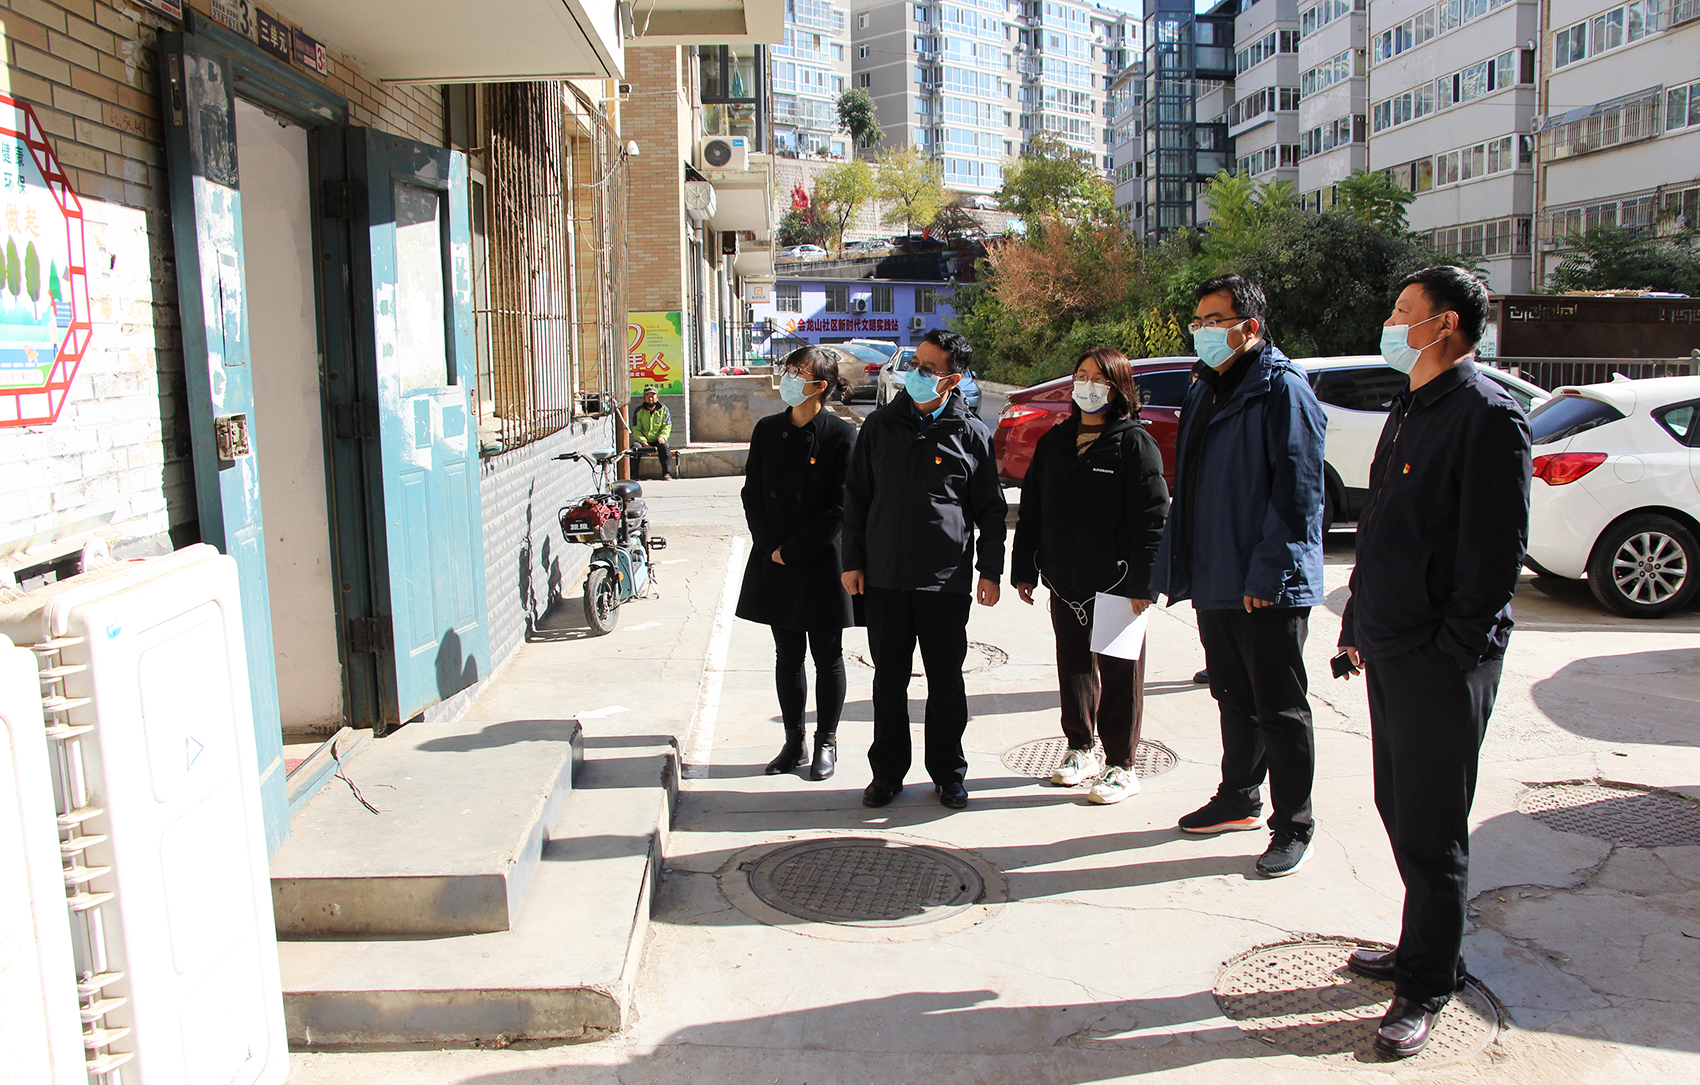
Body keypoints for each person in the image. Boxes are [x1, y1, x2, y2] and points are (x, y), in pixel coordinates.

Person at [1336, 266, 1531, 1057]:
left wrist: (1453, 653)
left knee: (1433, 824)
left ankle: (1427, 982)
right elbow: (1382, 527)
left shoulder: (1487, 415)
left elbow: (1495, 554)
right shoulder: (1412, 403)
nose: (1390, 322)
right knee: (1398, 806)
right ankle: (1423, 946)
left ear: (1445, 323)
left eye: (1402, 311)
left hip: (1440, 660)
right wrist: (1358, 620)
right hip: (1392, 643)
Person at [1150, 273, 1327, 877]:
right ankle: (1238, 798)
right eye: (1198, 321)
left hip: (1265, 582)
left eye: (1214, 321)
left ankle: (1294, 824)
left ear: (1249, 327)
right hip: (1216, 573)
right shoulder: (1206, 385)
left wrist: (1269, 574)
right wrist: (1180, 564)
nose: (1202, 331)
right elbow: (1192, 483)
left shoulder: (1283, 390)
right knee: (1232, 696)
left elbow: (1299, 492)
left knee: (1280, 707)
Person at [841, 328, 1006, 811]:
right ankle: (887, 774)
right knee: (888, 681)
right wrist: (852, 561)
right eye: (916, 364)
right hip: (885, 578)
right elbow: (856, 498)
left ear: (952, 380)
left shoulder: (970, 434)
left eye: (929, 369)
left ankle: (948, 774)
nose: (916, 373)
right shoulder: (879, 427)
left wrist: (990, 570)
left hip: (944, 581)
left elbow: (991, 510)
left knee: (946, 682)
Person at [1011, 348, 1169, 805]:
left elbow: (1153, 519)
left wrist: (1145, 584)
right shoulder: (1055, 441)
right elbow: (1032, 509)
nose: (1088, 385)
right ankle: (1081, 748)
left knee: (1120, 673)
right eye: (1081, 375)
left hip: (1119, 583)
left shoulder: (1134, 443)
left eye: (1100, 378)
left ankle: (1122, 764)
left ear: (1118, 389)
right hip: (1066, 580)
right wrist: (1024, 568)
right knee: (1074, 665)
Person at [737, 347, 859, 780]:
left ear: (820, 386)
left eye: (797, 372)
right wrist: (770, 545)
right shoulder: (768, 430)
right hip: (775, 558)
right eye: (787, 369)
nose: (787, 378)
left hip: (822, 560)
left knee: (828, 655)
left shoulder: (841, 435)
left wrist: (793, 549)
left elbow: (840, 506)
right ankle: (794, 742)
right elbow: (752, 492)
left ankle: (827, 741)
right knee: (786, 654)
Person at [630, 386, 674, 480]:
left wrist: (662, 437)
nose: (650, 399)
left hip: (658, 440)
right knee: (635, 448)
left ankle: (667, 473)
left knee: (665, 446)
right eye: (648, 396)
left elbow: (667, 426)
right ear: (644, 398)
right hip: (644, 441)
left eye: (652, 396)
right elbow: (636, 429)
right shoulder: (638, 411)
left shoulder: (663, 410)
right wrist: (643, 442)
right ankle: (634, 476)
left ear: (657, 397)